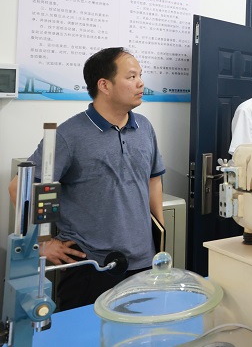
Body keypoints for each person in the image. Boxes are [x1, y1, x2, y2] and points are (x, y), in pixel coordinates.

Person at [8, 48, 165, 311]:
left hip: (143, 263)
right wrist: (41, 242)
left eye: (140, 75)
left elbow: (154, 181)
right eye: (131, 76)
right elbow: (18, 188)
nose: (140, 83)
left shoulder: (144, 127)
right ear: (104, 85)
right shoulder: (69, 135)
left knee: (140, 328)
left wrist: (160, 236)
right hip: (90, 266)